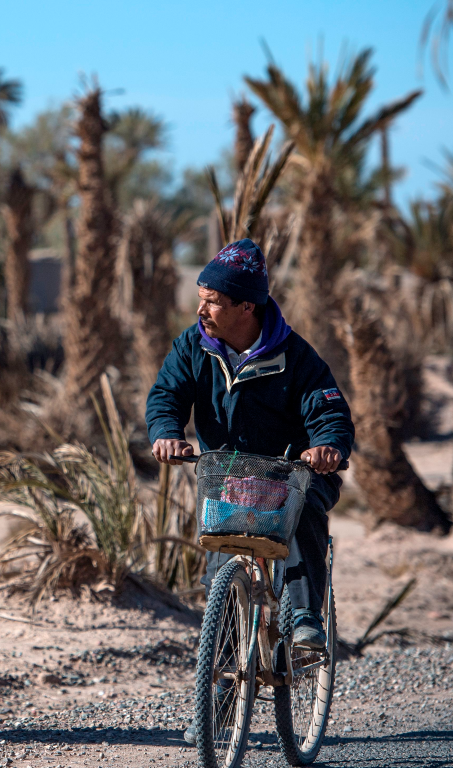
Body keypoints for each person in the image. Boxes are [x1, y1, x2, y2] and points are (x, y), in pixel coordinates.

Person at [145, 238, 353, 651]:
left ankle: (307, 617)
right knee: (222, 591)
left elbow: (329, 413)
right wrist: (166, 432)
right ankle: (217, 702)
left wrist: (326, 446)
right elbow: (166, 395)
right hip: (227, 477)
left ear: (247, 307)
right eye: (201, 299)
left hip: (292, 474)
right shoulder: (192, 346)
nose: (201, 310)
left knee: (307, 503)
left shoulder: (297, 358)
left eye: (213, 301)